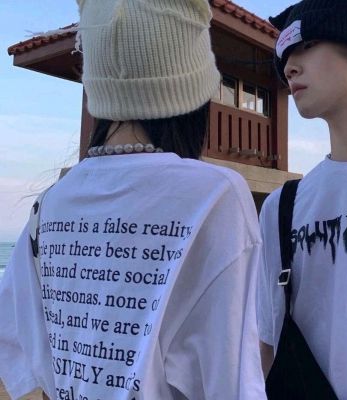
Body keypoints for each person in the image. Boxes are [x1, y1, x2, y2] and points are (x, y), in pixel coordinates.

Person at [0, 1, 267, 399]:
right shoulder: (215, 195)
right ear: (192, 90)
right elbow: (231, 379)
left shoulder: (50, 204)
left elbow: (18, 346)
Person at [257, 0, 347, 398]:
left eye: (307, 46)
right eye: (284, 57)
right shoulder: (282, 207)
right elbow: (267, 344)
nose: (289, 67)